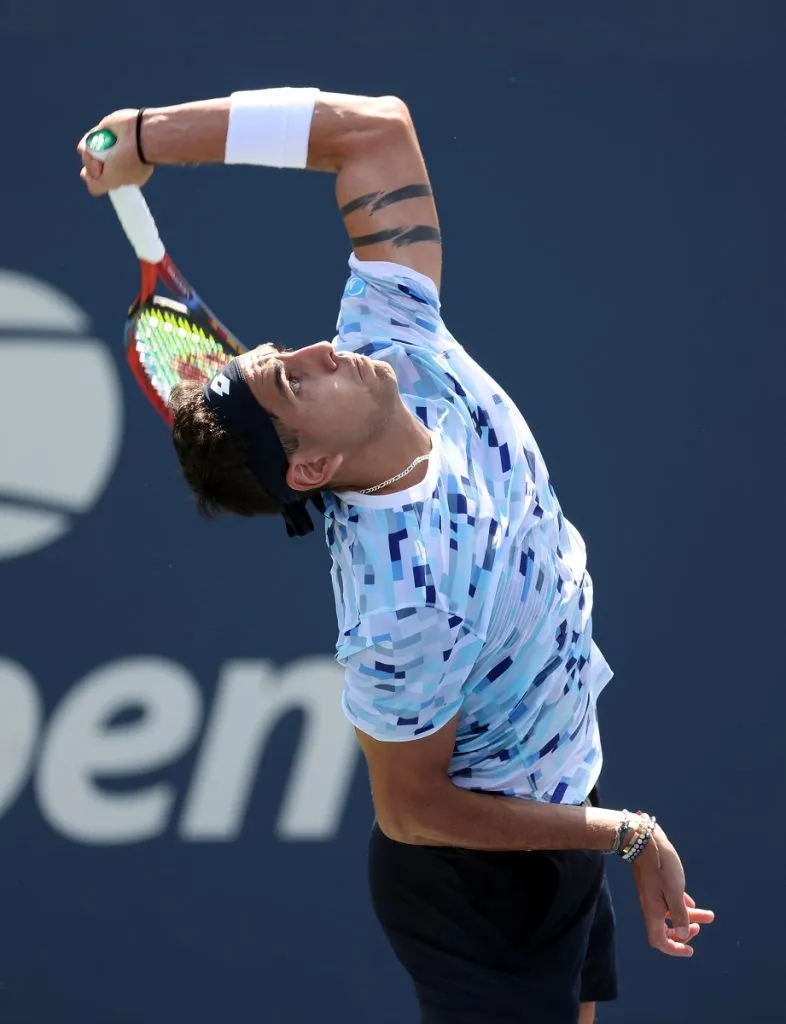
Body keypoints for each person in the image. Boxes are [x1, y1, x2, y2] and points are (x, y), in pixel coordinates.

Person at [78, 87, 714, 1024]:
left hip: (554, 805)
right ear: (315, 466)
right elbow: (414, 810)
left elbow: (374, 129)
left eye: (288, 352)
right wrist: (623, 834)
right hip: (475, 883)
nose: (324, 354)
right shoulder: (401, 608)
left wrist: (145, 137)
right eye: (296, 381)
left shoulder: (392, 339)